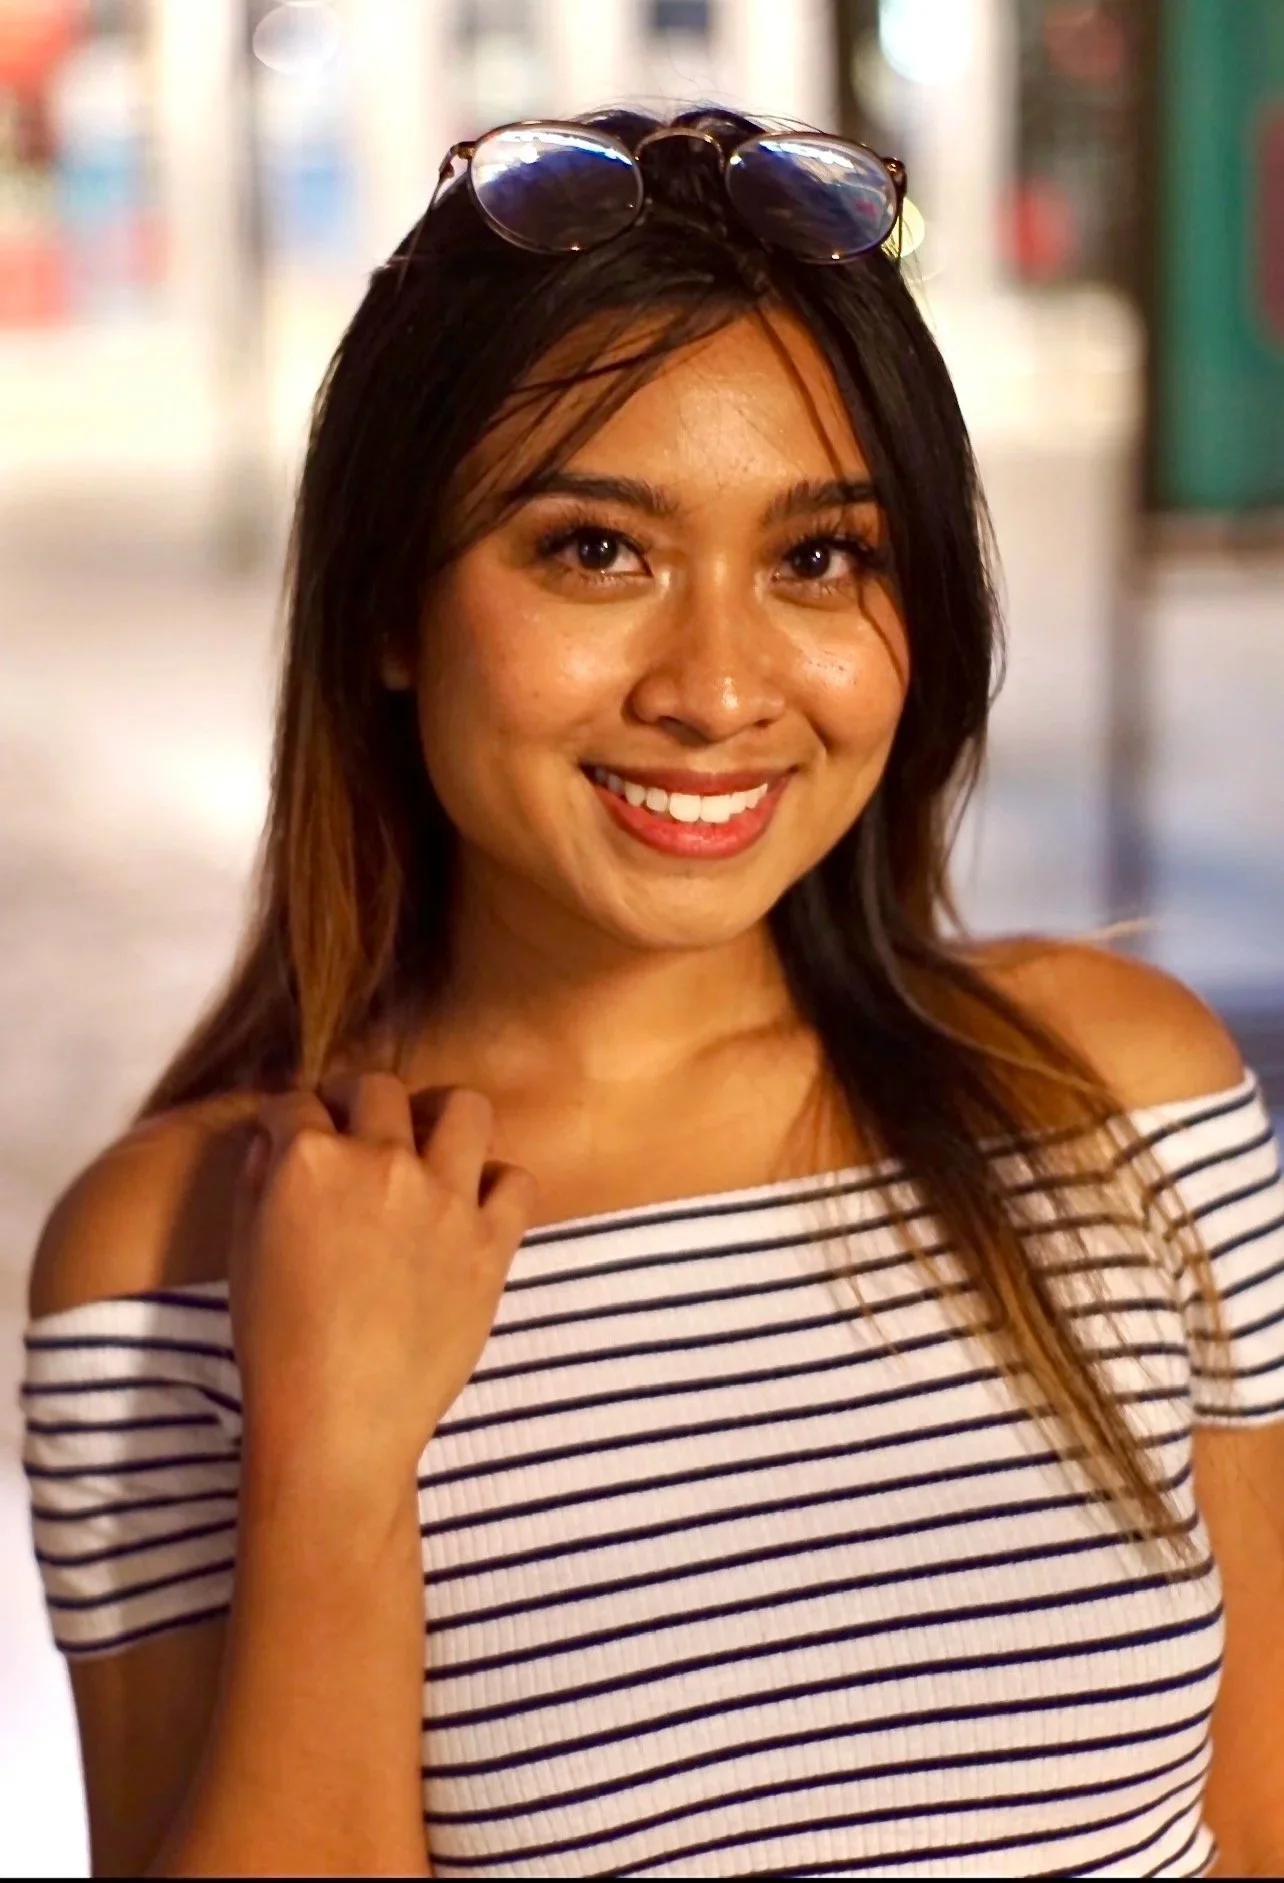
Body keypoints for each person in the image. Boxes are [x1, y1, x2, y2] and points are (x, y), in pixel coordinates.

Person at [18, 105, 1284, 1879]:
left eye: (818, 559)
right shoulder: (178, 1255)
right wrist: (334, 1456)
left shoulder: (1121, 1100)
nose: (716, 688)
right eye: (595, 550)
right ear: (389, 609)